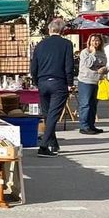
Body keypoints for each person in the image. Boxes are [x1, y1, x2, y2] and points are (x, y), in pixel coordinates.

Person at [30, 18, 76, 155]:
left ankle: (53, 143)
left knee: (47, 114)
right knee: (53, 115)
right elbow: (69, 65)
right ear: (63, 31)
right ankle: (44, 146)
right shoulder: (66, 44)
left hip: (43, 81)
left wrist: (36, 81)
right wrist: (70, 83)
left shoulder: (40, 44)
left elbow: (34, 66)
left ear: (49, 29)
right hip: (58, 82)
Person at [76, 34, 108, 135]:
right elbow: (89, 64)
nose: (95, 42)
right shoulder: (85, 52)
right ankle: (84, 126)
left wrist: (105, 70)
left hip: (96, 81)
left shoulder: (102, 53)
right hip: (86, 81)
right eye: (93, 40)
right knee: (85, 104)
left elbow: (104, 64)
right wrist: (93, 53)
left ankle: (91, 125)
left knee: (93, 105)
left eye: (97, 40)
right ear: (89, 41)